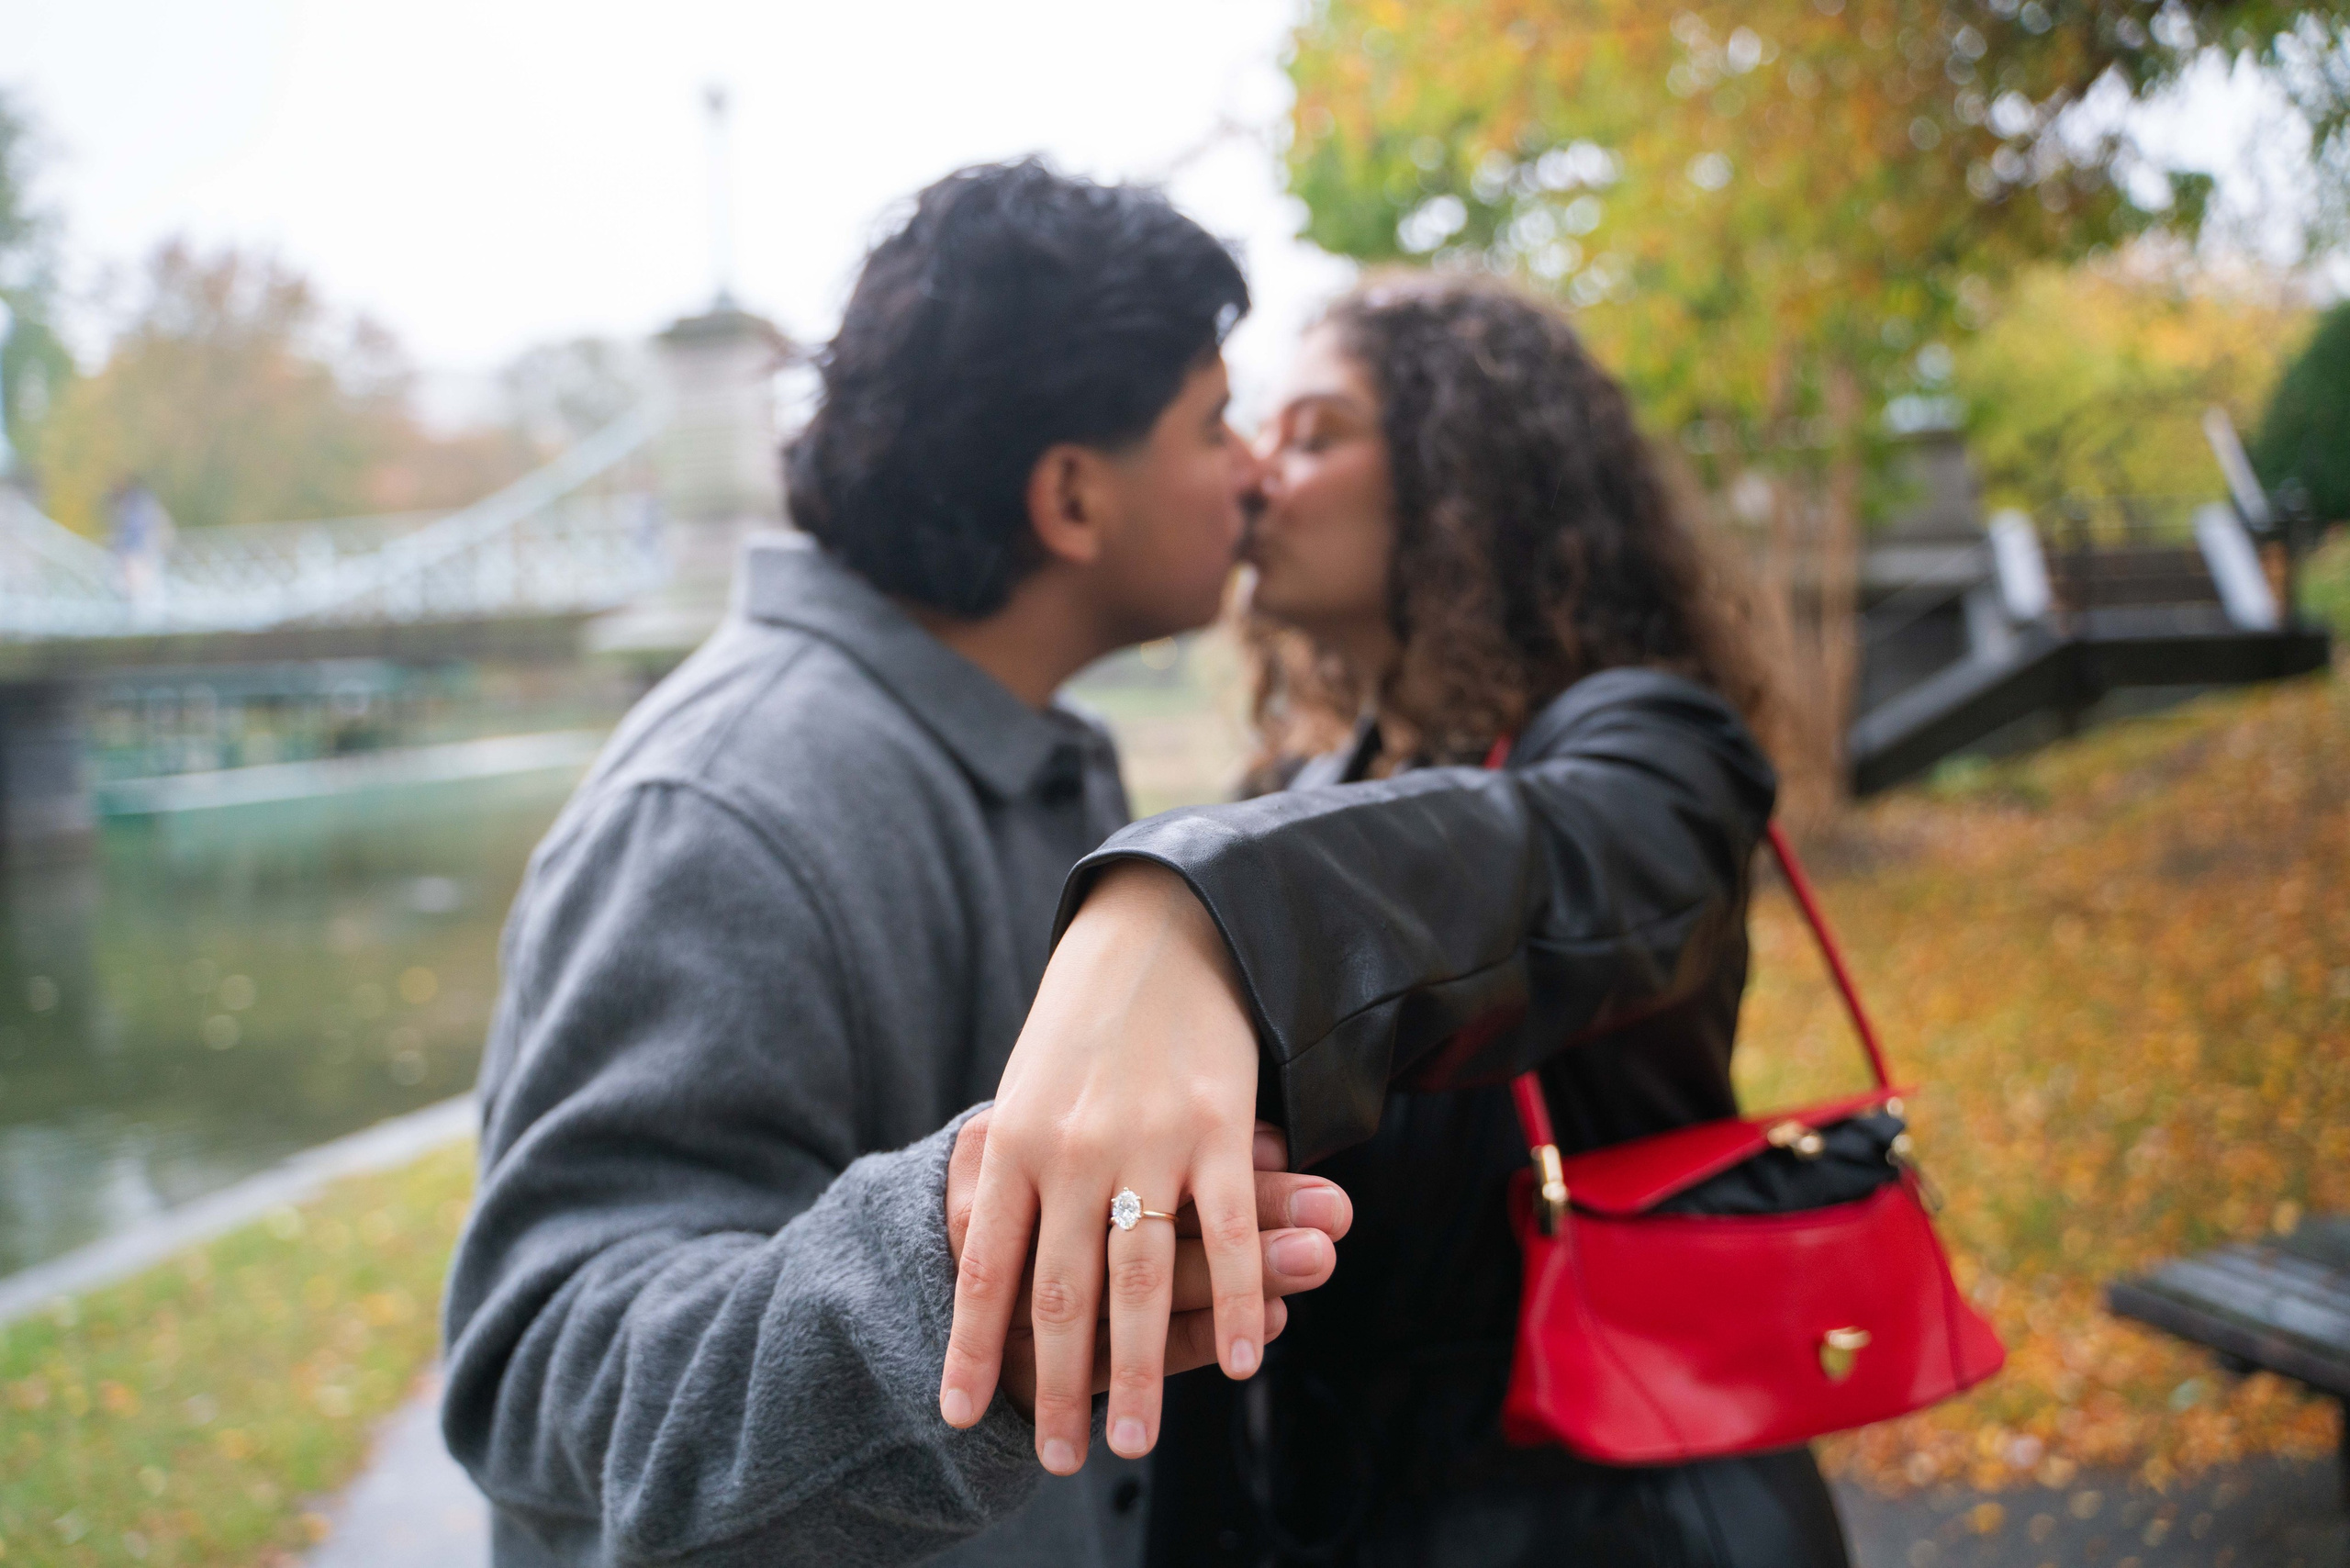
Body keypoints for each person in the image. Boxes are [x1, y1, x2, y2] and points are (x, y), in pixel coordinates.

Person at [439, 160, 1357, 1567]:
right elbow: (546, 1388)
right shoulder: (724, 809)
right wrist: (969, 1274)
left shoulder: (1044, 745)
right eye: (1214, 423)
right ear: (1071, 498)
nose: (1253, 472)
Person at [948, 275, 1854, 1565]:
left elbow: (1557, 861)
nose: (1256, 477)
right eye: (1254, 434)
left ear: (1472, 477)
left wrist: (1189, 910)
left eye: (1314, 435)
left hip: (1626, 1511)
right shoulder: (1295, 791)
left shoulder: (1651, 742)